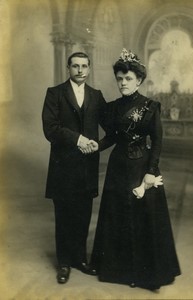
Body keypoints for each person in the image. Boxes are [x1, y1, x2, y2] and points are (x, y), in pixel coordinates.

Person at [90, 49, 181, 291]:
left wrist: (151, 172)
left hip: (142, 167)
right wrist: (95, 146)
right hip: (118, 166)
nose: (123, 83)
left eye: (128, 78)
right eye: (119, 78)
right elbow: (112, 137)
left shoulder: (151, 107)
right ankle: (119, 271)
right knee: (117, 216)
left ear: (139, 80)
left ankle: (147, 274)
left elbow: (158, 142)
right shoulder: (113, 108)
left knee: (145, 217)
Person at [42, 52, 106, 284]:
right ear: (68, 67)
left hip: (87, 167)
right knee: (64, 216)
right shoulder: (55, 93)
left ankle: (79, 259)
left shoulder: (96, 96)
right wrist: (79, 139)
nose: (80, 70)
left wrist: (98, 145)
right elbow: (50, 128)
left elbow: (110, 123)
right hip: (63, 168)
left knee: (84, 215)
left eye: (84, 66)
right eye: (75, 66)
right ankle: (64, 263)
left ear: (89, 68)